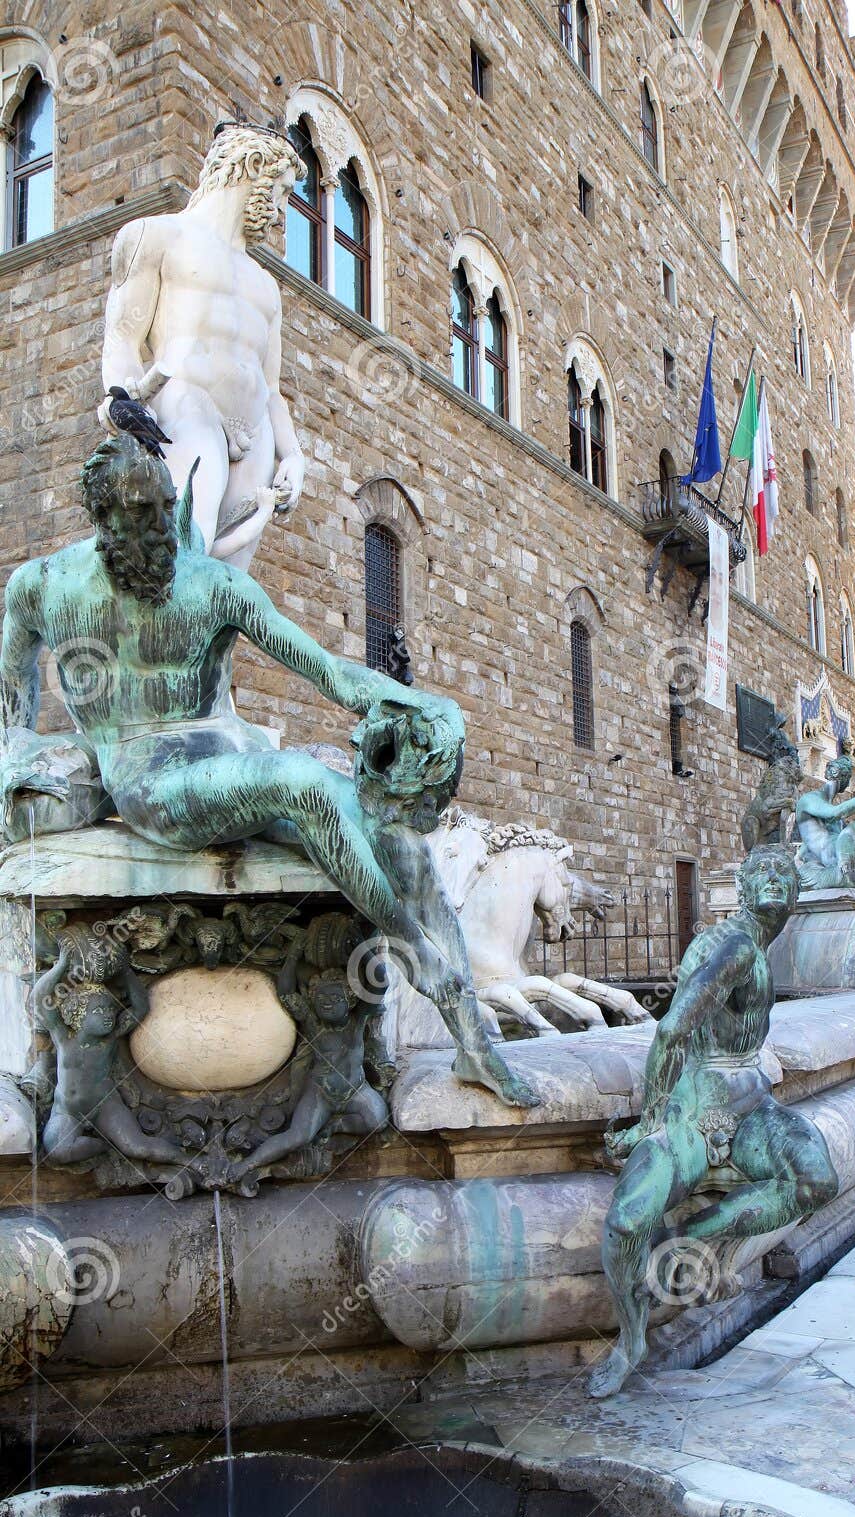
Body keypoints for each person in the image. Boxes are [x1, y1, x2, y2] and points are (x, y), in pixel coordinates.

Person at [0, 437, 537, 1111]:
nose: (157, 532)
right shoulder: (42, 587)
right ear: (102, 518)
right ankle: (435, 976)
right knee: (299, 781)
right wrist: (22, 761)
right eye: (138, 518)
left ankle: (471, 1034)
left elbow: (328, 672)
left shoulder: (215, 585)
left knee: (388, 831)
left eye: (164, 513)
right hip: (148, 778)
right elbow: (11, 710)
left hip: (226, 756)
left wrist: (412, 702)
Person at [588, 846, 838, 1400]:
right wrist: (650, 1120)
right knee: (626, 1222)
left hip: (751, 1108)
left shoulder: (752, 944)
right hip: (701, 1113)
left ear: (795, 896)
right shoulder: (737, 946)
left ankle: (685, 1241)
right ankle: (631, 1341)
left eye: (784, 875)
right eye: (762, 874)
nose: (774, 881)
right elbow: (672, 1029)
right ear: (744, 889)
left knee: (819, 1178)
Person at [99, 123, 307, 571]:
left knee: (224, 603)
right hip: (187, 411)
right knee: (182, 568)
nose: (280, 210)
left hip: (255, 439)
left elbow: (271, 389)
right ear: (254, 166)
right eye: (282, 192)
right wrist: (120, 400)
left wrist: (292, 454)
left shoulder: (266, 287)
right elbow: (123, 339)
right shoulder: (155, 237)